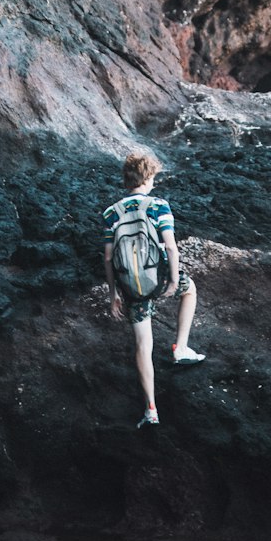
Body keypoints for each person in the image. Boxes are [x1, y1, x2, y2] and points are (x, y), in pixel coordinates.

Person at [103, 150, 205, 428]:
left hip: (130, 288)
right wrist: (173, 279)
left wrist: (113, 294)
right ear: (148, 177)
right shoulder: (159, 205)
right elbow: (170, 247)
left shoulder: (111, 212)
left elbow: (109, 258)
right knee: (190, 289)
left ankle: (151, 409)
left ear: (127, 180)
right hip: (158, 280)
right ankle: (180, 348)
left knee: (142, 345)